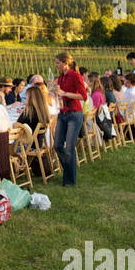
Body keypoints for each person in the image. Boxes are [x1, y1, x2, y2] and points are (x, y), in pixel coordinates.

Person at [52, 52, 88, 187]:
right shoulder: (61, 78)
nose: (56, 65)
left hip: (74, 113)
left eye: (57, 63)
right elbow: (60, 94)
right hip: (62, 112)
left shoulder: (75, 76)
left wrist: (65, 93)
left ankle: (69, 180)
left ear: (65, 63)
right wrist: (56, 92)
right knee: (57, 145)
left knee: (70, 147)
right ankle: (68, 168)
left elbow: (83, 96)